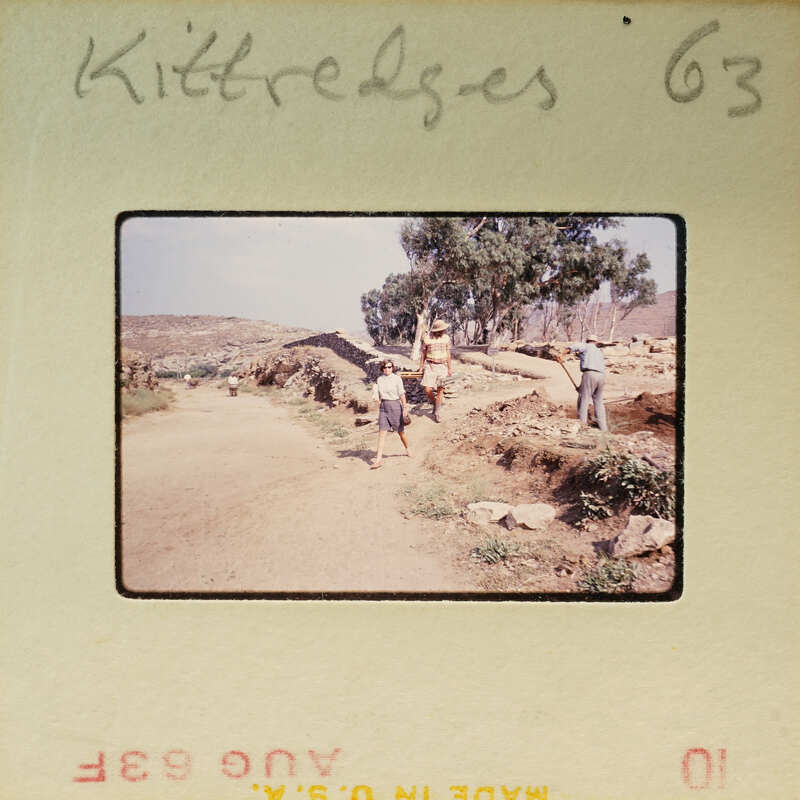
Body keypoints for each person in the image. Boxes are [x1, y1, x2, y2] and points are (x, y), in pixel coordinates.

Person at [370, 360, 411, 469]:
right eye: (385, 367)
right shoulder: (380, 379)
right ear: (382, 368)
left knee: (400, 432)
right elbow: (377, 393)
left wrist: (405, 409)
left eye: (389, 367)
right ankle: (378, 460)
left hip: (395, 406)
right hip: (383, 407)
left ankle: (407, 448)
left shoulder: (397, 379)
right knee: (382, 433)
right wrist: (377, 400)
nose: (387, 369)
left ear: (392, 368)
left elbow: (401, 394)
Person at [569, 334, 608, 431]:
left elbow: (573, 347)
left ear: (588, 341)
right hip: (601, 376)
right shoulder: (599, 351)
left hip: (590, 374)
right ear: (596, 342)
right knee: (598, 401)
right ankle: (603, 428)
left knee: (584, 400)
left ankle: (582, 425)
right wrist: (581, 387)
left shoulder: (586, 346)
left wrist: (561, 354)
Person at [418, 319, 452, 422]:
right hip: (430, 366)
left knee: (440, 390)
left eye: (444, 329)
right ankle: (435, 404)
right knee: (428, 389)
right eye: (441, 330)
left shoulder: (446, 338)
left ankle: (437, 412)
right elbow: (423, 353)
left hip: (442, 366)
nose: (443, 331)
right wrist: (420, 367)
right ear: (436, 330)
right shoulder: (427, 339)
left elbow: (448, 353)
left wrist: (449, 368)